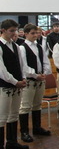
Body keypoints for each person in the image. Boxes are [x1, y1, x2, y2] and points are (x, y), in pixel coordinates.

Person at [18, 24, 52, 143]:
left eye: (37, 33)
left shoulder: (39, 46)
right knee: (25, 106)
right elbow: (23, 66)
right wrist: (35, 74)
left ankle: (37, 128)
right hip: (30, 80)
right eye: (32, 33)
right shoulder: (22, 48)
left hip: (40, 80)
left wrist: (44, 73)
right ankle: (24, 131)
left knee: (37, 104)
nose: (36, 35)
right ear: (26, 34)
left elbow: (45, 62)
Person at [0, 19, 29, 149]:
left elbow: (21, 65)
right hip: (4, 86)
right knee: (2, 116)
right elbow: (1, 70)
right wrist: (14, 81)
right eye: (11, 31)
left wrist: (23, 78)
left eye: (15, 30)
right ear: (3, 30)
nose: (14, 33)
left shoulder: (16, 46)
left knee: (14, 114)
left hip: (17, 85)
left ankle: (12, 142)